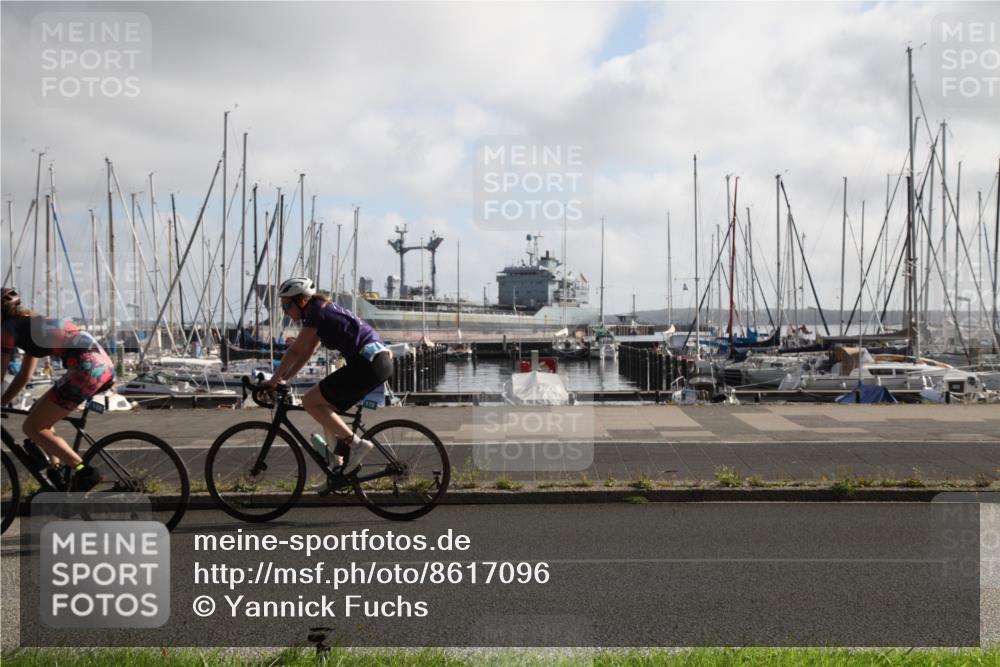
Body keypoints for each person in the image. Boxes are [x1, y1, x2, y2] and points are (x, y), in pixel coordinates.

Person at [262, 277, 392, 478]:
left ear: (302, 300)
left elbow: (295, 350)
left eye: (286, 305)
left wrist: (272, 381)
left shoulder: (317, 312)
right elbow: (306, 352)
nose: (285, 311)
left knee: (309, 401)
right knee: (324, 408)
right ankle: (337, 468)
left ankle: (356, 445)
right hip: (375, 362)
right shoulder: (319, 311)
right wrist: (285, 379)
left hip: (368, 363)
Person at [0, 287, 112, 489]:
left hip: (86, 367)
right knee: (38, 415)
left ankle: (83, 471)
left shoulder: (7, 328)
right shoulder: (33, 326)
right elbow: (24, 376)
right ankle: (56, 473)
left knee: (32, 427)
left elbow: (1, 372)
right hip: (99, 363)